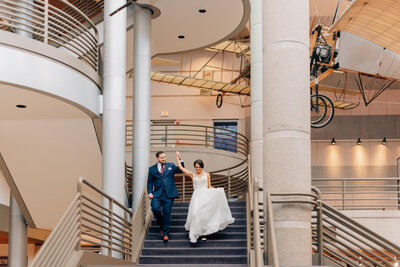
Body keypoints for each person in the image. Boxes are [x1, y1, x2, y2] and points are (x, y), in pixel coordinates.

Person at [175, 152, 234, 243]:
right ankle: (194, 233)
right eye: (196, 167)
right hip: (196, 197)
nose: (198, 169)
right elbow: (181, 168)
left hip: (206, 195)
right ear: (194, 167)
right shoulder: (192, 174)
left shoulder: (207, 174)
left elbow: (209, 186)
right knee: (195, 214)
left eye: (199, 167)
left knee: (204, 215)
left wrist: (217, 191)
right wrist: (178, 157)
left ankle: (203, 234)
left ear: (202, 167)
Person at [147, 151, 184, 241]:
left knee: (167, 213)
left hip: (169, 195)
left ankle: (165, 233)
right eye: (162, 157)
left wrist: (179, 158)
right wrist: (150, 192)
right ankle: (163, 226)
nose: (164, 159)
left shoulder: (171, 166)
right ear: (157, 158)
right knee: (155, 208)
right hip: (157, 194)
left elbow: (181, 169)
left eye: (165, 157)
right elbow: (149, 182)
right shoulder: (152, 169)